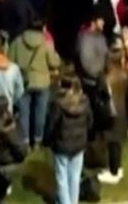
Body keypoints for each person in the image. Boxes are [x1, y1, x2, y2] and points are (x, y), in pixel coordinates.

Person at [7, 17, 61, 147]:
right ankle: (37, 140)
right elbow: (54, 63)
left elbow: (10, 59)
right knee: (40, 113)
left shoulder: (17, 42)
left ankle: (25, 140)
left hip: (23, 82)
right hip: (42, 82)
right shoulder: (46, 43)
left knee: (24, 113)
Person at [45, 74, 93, 204]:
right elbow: (90, 122)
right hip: (79, 144)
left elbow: (51, 125)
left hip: (62, 144)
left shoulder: (57, 104)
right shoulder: (85, 101)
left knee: (62, 178)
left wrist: (47, 141)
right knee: (74, 177)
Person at [98, 46, 128, 184]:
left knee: (112, 144)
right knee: (116, 144)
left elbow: (100, 100)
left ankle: (114, 173)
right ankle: (117, 168)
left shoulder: (104, 79)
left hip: (110, 115)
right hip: (123, 115)